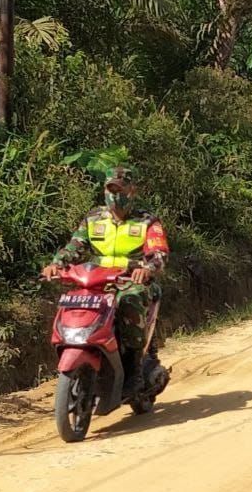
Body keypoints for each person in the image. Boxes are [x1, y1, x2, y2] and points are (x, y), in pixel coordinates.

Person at [41, 166, 169, 391]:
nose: (114, 194)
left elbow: (159, 253)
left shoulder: (147, 221)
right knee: (71, 301)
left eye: (119, 189)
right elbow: (75, 246)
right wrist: (56, 264)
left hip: (132, 281)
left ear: (132, 190)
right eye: (110, 188)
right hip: (97, 281)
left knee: (129, 301)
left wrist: (147, 268)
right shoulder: (94, 219)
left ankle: (134, 370)